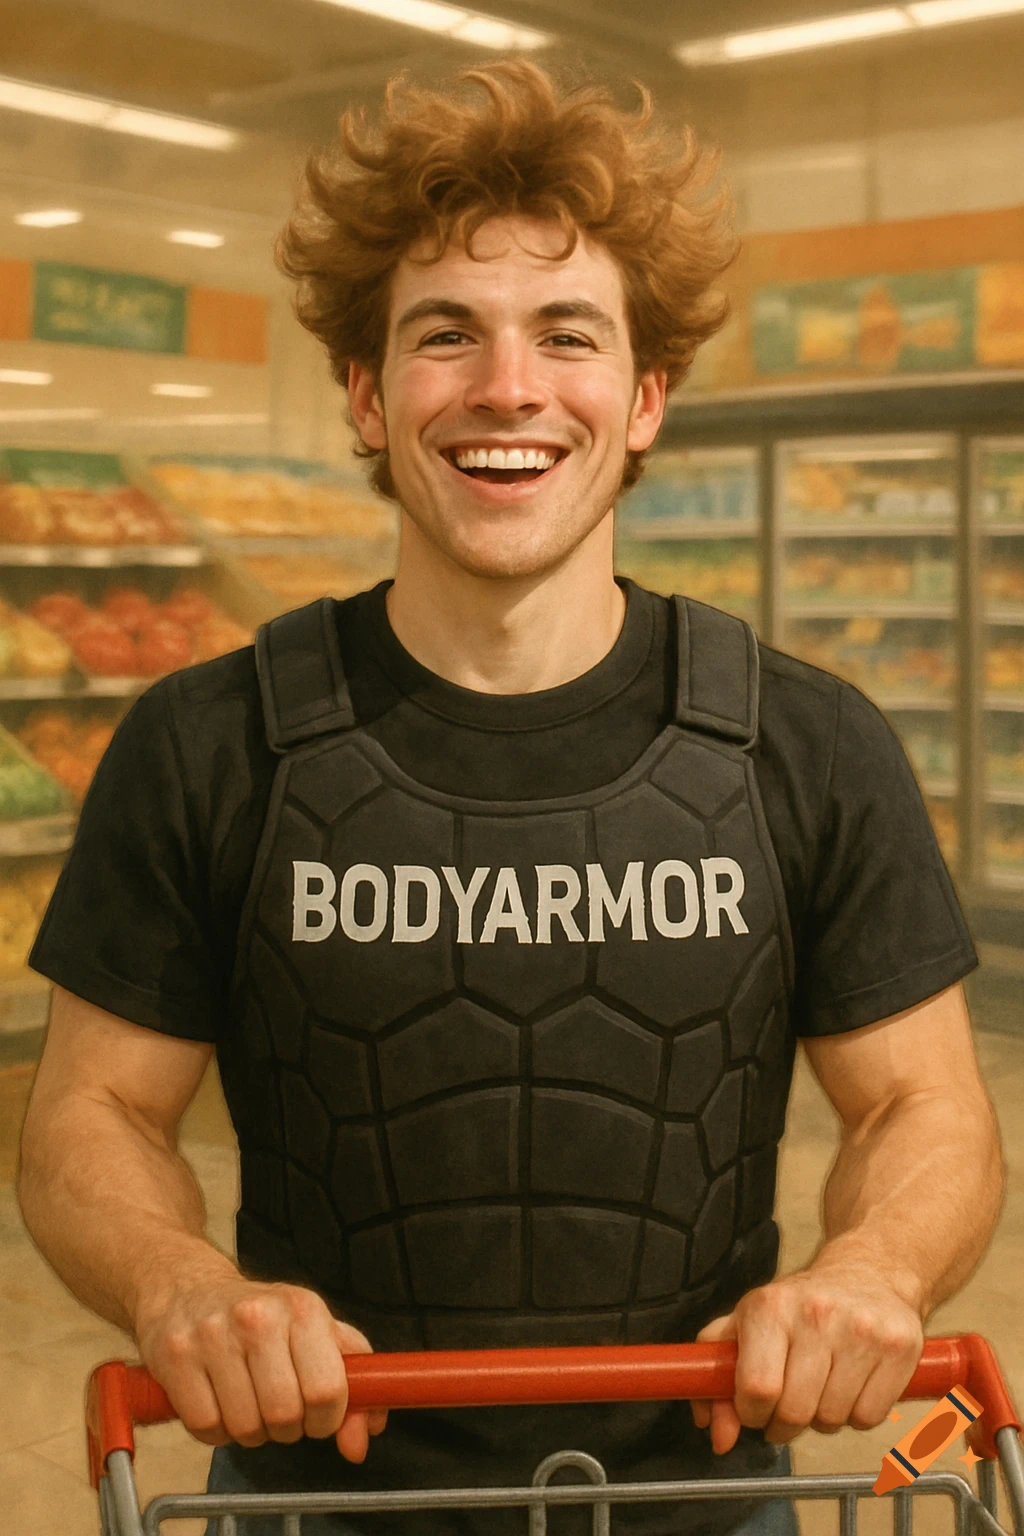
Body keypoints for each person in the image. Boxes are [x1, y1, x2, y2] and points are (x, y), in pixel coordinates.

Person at [17, 60, 1004, 1536]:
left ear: (647, 396)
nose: (509, 388)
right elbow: (89, 1110)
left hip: (717, 1504)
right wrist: (184, 1288)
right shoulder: (205, 745)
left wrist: (874, 1272)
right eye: (444, 336)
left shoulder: (808, 744)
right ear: (364, 391)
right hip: (314, 1509)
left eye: (567, 334)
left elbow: (931, 1105)